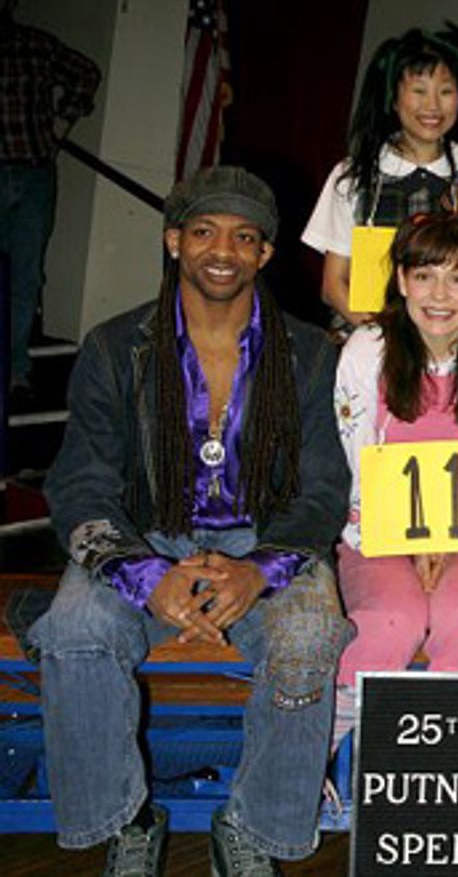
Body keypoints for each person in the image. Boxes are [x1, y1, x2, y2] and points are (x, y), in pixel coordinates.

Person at [29, 166, 352, 876]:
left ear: (265, 253)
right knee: (76, 629)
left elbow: (325, 485)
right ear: (174, 240)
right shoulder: (117, 347)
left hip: (263, 538)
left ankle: (251, 826)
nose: (223, 249)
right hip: (146, 536)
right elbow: (80, 482)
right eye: (204, 230)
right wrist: (145, 574)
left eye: (244, 236)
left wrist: (259, 567)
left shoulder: (308, 354)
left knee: (309, 631)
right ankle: (128, 818)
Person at [332, 212, 458, 748]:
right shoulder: (367, 351)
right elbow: (356, 461)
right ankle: (325, 757)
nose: (439, 294)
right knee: (392, 620)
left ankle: (456, 765)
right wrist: (407, 540)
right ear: (400, 280)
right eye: (424, 275)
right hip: (379, 537)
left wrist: (449, 541)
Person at [302, 29, 458, 328]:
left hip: (445, 341)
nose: (433, 106)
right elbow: (333, 286)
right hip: (365, 337)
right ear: (393, 99)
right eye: (419, 91)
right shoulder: (352, 175)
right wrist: (383, 341)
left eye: (446, 91)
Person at [0, 0, 101, 398]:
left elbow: (85, 74)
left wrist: (61, 125)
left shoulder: (36, 45)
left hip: (34, 173)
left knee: (25, 274)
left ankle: (13, 368)